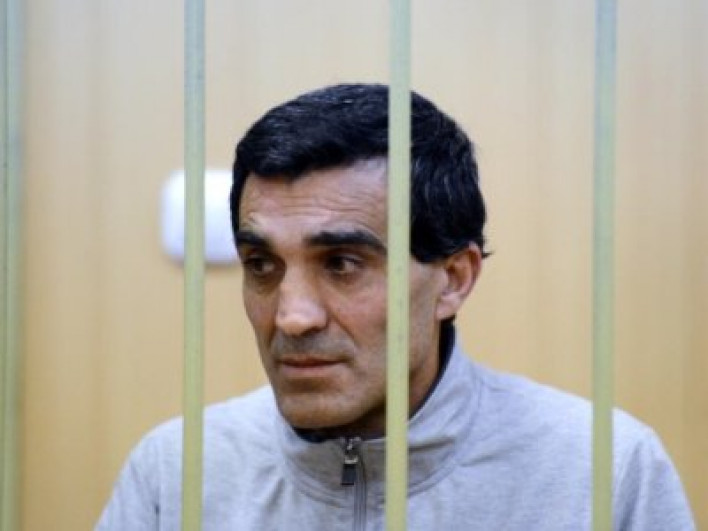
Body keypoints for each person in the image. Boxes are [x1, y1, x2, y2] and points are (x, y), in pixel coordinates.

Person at [97, 84, 695, 530]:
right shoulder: (175, 473)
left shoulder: (604, 470)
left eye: (342, 264)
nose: (291, 317)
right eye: (262, 265)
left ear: (453, 280)